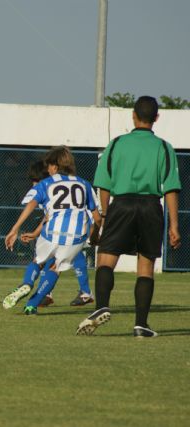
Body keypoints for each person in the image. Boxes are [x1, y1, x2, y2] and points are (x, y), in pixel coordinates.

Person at [76, 96, 182, 338]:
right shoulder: (165, 147)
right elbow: (171, 188)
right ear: (156, 118)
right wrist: (174, 225)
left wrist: (102, 216)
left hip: (121, 204)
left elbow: (103, 184)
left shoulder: (116, 144)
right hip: (150, 206)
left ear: (133, 116)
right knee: (145, 267)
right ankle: (141, 325)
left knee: (105, 260)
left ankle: (102, 305)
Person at [4, 146, 102, 315]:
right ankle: (32, 305)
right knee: (55, 268)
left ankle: (27, 283)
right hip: (77, 235)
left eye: (49, 165)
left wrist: (15, 228)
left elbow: (32, 203)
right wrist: (95, 236)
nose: (48, 169)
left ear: (55, 166)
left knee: (38, 261)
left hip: (52, 230)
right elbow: (98, 218)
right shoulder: (84, 184)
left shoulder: (47, 183)